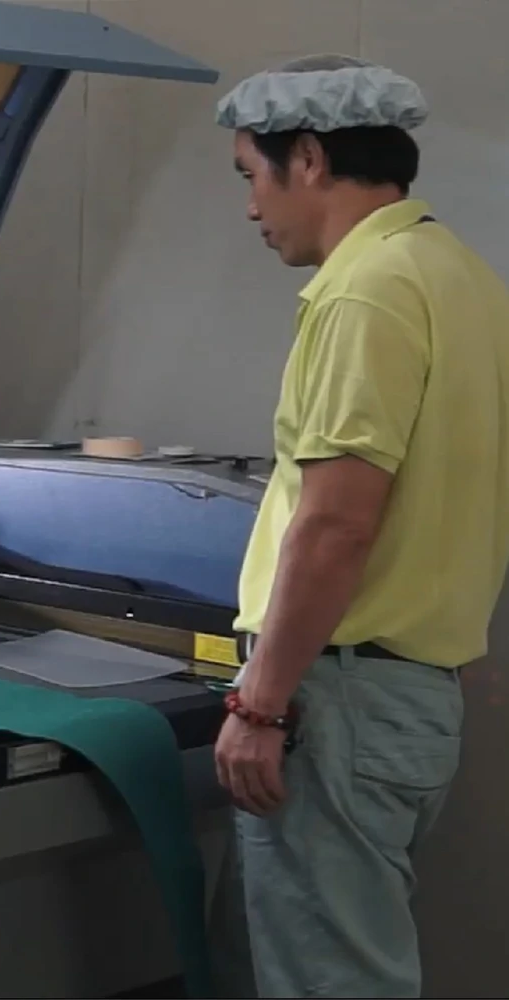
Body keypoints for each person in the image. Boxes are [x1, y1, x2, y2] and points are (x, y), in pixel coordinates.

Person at [209, 55, 509, 997]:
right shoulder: (460, 276)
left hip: (335, 703)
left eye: (252, 176)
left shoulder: (366, 288)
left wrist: (261, 705)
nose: (251, 208)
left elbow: (337, 524)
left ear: (306, 157)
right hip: (409, 698)